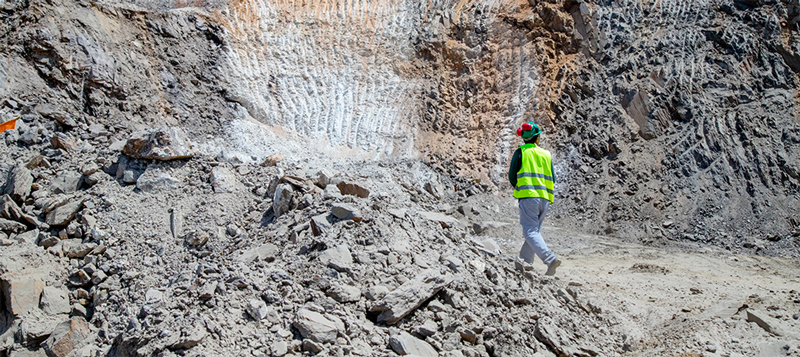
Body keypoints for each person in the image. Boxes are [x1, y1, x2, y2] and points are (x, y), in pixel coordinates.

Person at [508, 122, 561, 276]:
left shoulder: (521, 153)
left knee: (530, 232)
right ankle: (525, 263)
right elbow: (553, 178)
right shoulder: (546, 154)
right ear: (537, 138)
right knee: (534, 232)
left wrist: (520, 186)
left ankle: (550, 259)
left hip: (528, 197)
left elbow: (512, 175)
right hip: (545, 198)